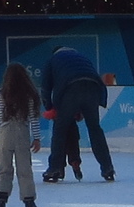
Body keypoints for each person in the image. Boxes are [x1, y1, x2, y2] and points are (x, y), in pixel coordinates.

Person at [44, 45, 116, 183]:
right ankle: (107, 167)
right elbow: (92, 77)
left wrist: (51, 108)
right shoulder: (83, 58)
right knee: (95, 129)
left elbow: (46, 88)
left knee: (60, 129)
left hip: (70, 88)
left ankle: (55, 168)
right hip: (94, 88)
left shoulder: (53, 60)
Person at [0, 64, 43, 207]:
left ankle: (0, 202)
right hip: (22, 134)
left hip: (4, 134)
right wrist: (36, 138)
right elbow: (33, 119)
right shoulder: (28, 96)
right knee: (25, 169)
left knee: (3, 169)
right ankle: (30, 202)